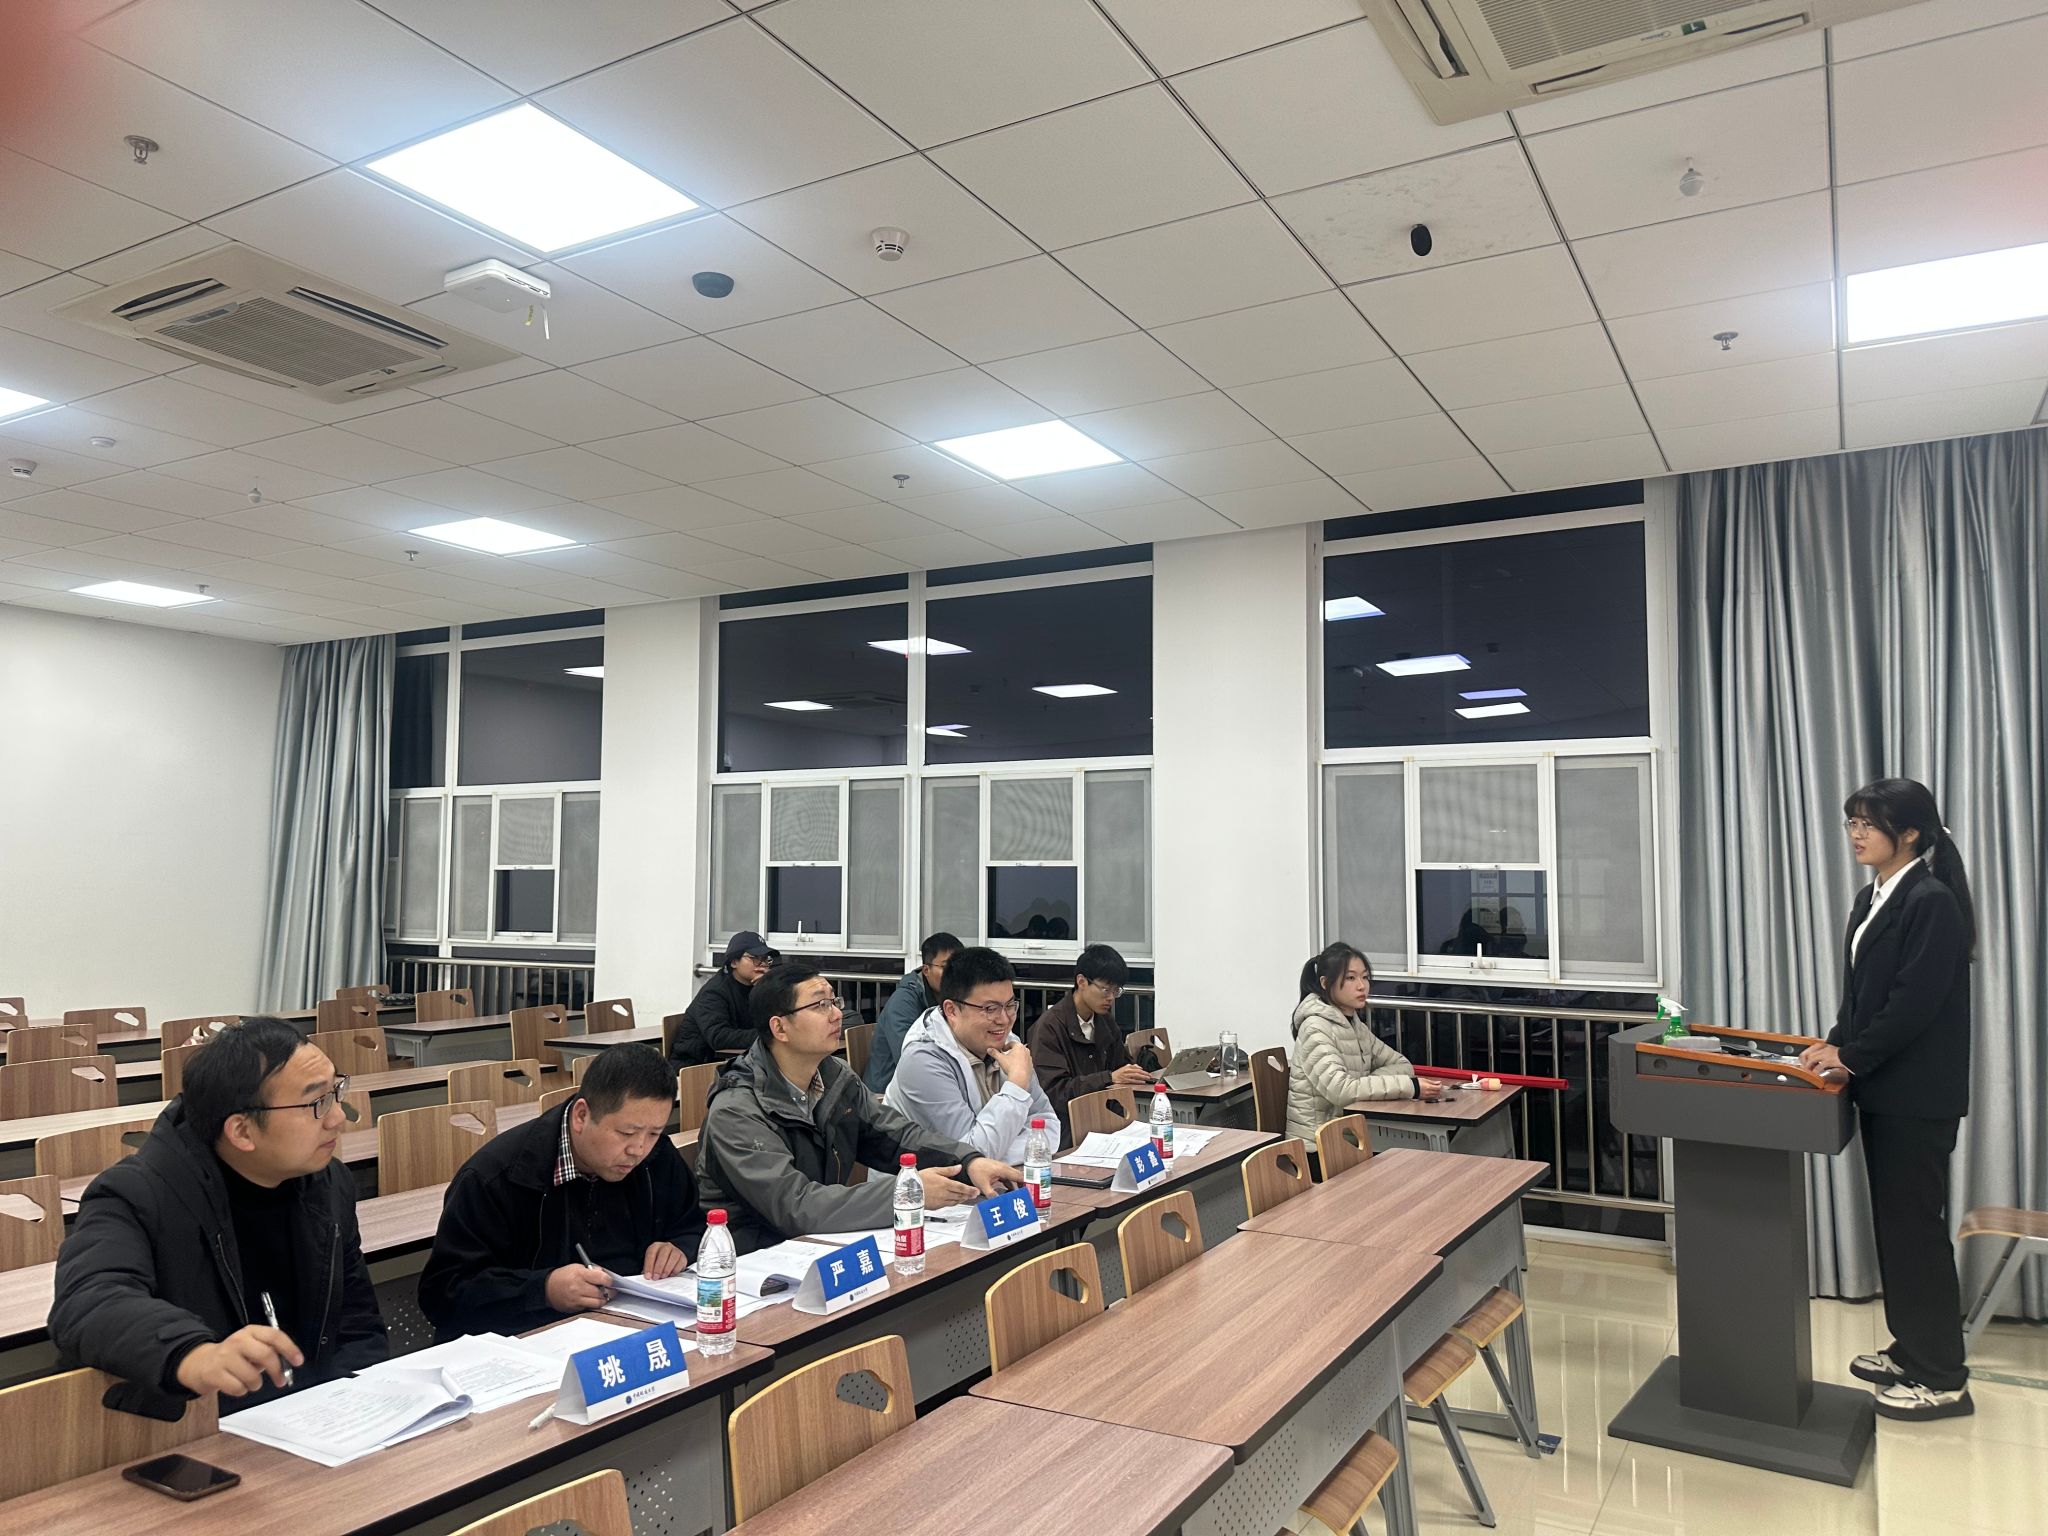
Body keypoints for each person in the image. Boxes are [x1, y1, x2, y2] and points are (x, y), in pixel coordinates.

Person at [50, 1016, 386, 1418]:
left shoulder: (328, 1183)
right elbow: (88, 1303)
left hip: (313, 1424)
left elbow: (356, 1322)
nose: (338, 1117)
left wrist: (362, 1407)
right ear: (241, 1132)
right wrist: (192, 1352)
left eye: (335, 1092)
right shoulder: (134, 1194)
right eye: (316, 1103)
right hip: (195, 1429)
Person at [1800, 777, 1976, 1421]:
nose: (1855, 834)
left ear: (1909, 833)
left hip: (1917, 1095)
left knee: (1917, 1233)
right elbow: (1864, 995)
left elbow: (1913, 1004)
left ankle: (1944, 1378)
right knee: (1897, 1230)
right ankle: (1912, 1350)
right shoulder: (1875, 894)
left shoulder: (1930, 901)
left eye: (1867, 824)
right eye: (1850, 822)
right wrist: (1835, 1041)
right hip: (1886, 1089)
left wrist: (1851, 1056)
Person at [696, 961, 1024, 1251]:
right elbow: (796, 1206)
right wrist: (909, 1191)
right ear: (779, 1028)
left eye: (834, 1001)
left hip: (815, 1244)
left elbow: (895, 1136)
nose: (837, 1014)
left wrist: (969, 1161)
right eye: (820, 1005)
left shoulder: (834, 1076)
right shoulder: (737, 1110)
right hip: (748, 1262)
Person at [419, 1044, 703, 1341]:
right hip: (532, 1340)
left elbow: (695, 1224)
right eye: (626, 1133)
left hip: (631, 1329)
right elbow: (443, 1294)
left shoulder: (656, 1157)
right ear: (581, 1116)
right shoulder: (495, 1178)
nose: (639, 1149)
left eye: (654, 1133)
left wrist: (680, 1246)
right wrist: (543, 1289)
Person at [885, 946, 1061, 1162]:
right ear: (951, 1010)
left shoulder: (1008, 1044)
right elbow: (970, 1155)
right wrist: (1016, 1085)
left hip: (1002, 1177)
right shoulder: (923, 1060)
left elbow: (1047, 1128)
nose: (1004, 1020)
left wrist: (999, 1149)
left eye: (1010, 1005)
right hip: (916, 1182)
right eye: (990, 1009)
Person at [1287, 942, 1440, 1150]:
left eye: (1365, 977)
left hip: (1348, 1136)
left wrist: (1361, 1084)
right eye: (1351, 978)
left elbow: (1402, 1065)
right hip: (1317, 1147)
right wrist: (1409, 1087)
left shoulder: (1353, 1024)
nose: (1362, 986)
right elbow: (1341, 1090)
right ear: (1325, 983)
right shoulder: (1315, 1028)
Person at [1030, 943, 1152, 1125]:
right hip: (1066, 1126)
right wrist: (1109, 1078)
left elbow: (1120, 1065)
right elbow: (1054, 1092)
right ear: (1081, 982)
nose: (1111, 997)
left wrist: (1138, 1074)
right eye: (1105, 989)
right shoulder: (1049, 1027)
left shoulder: (1105, 1021)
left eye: (1116, 991)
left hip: (1108, 1117)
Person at [863, 931, 960, 1092]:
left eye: (958, 967)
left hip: (930, 1080)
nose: (954, 974)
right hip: (887, 1092)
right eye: (946, 967)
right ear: (926, 970)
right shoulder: (903, 1001)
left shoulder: (951, 998)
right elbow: (909, 1058)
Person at [669, 930, 777, 1068]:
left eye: (766, 959)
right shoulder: (714, 992)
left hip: (734, 1064)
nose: (763, 964)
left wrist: (767, 989)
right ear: (734, 962)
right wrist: (769, 1035)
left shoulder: (757, 987)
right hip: (696, 1067)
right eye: (755, 958)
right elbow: (719, 1037)